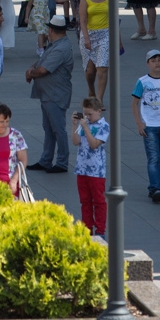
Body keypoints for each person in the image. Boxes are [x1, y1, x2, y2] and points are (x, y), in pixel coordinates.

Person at [24, 16, 74, 174]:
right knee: (49, 128)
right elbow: (42, 62)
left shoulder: (61, 48)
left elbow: (43, 70)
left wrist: (32, 73)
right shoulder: (56, 45)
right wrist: (32, 68)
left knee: (58, 129)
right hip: (49, 93)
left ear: (51, 30)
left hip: (55, 94)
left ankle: (62, 162)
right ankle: (46, 160)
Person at [133, 49, 160, 203]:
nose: (158, 63)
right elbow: (134, 102)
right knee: (153, 158)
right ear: (148, 64)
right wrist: (139, 123)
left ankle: (155, 187)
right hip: (150, 126)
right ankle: (156, 187)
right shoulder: (143, 81)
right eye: (154, 61)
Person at [71, 98, 109, 236]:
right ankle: (86, 229)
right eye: (85, 114)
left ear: (99, 111)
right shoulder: (84, 123)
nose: (87, 117)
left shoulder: (103, 126)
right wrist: (75, 125)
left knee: (98, 201)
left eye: (90, 114)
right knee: (85, 201)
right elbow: (75, 142)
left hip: (96, 171)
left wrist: (86, 128)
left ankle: (100, 231)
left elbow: (94, 144)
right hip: (82, 168)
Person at [78, 0, 111, 101]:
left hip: (105, 34)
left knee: (102, 67)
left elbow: (114, 18)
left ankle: (99, 99)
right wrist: (86, 38)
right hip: (89, 35)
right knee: (90, 71)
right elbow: (83, 20)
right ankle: (91, 90)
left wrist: (118, 39)